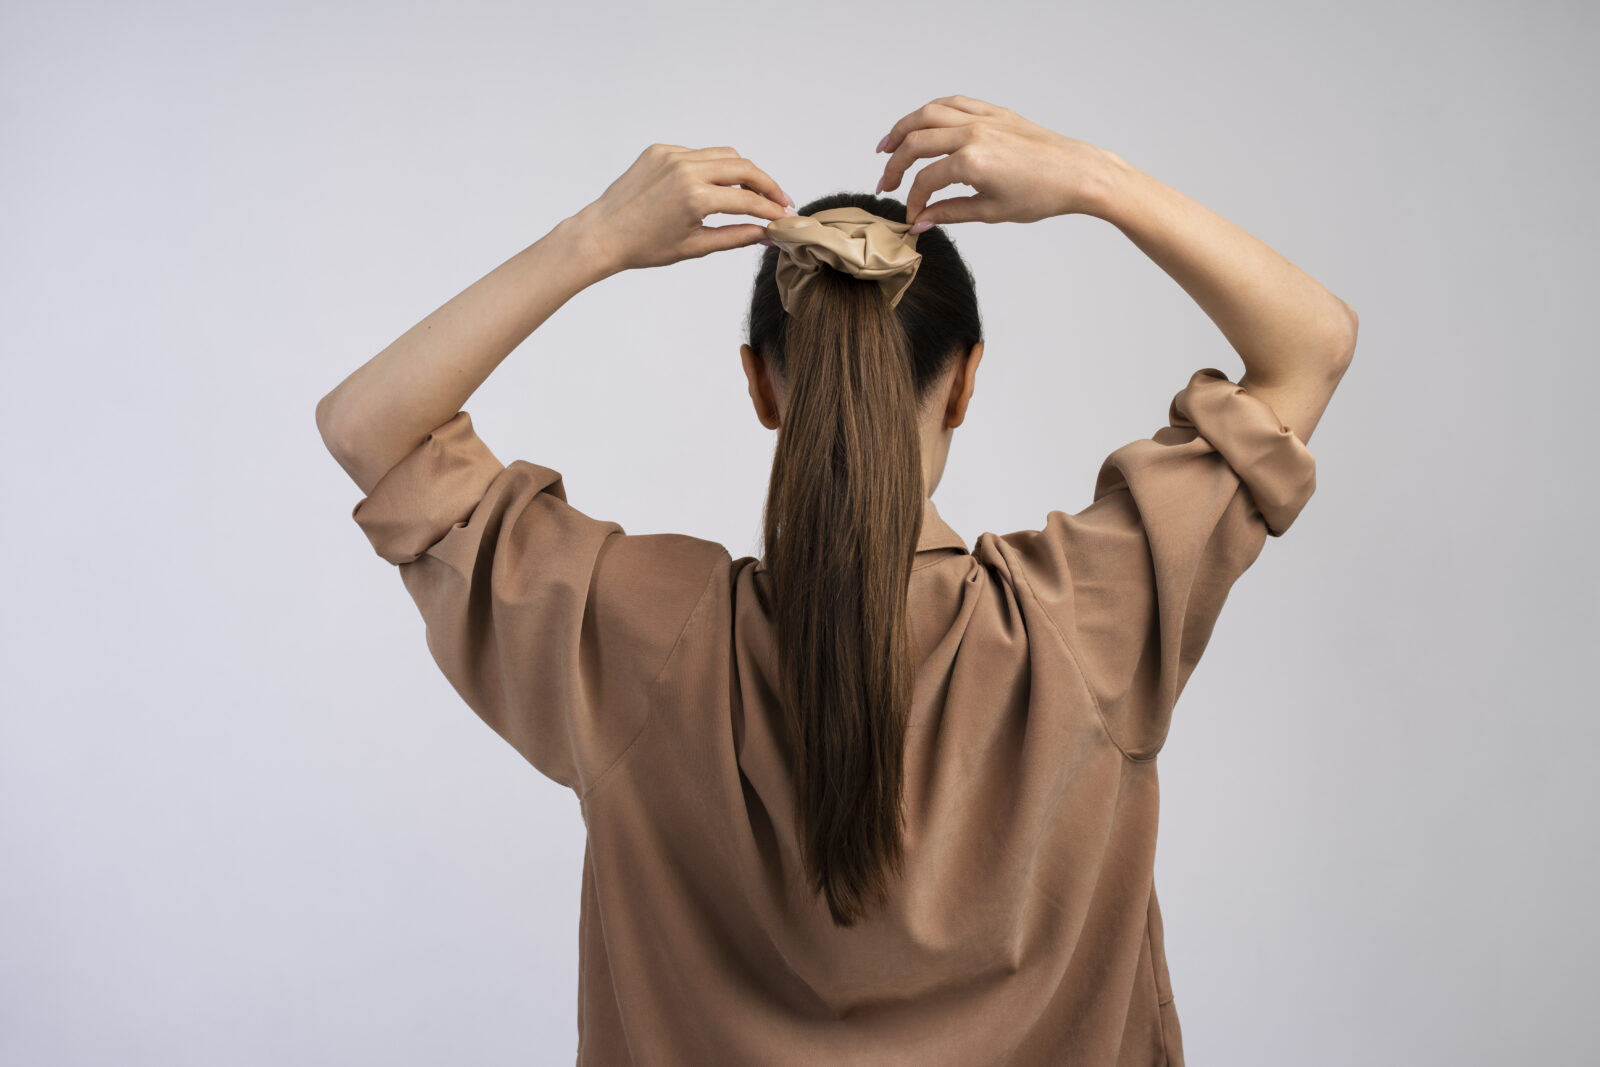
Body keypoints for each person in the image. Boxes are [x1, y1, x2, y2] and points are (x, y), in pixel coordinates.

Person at [317, 94, 1356, 1066]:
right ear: (967, 379)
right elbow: (1311, 342)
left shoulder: (638, 636)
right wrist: (1092, 177)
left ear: (761, 383)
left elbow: (370, 428)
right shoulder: (1087, 615)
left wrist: (595, 238)